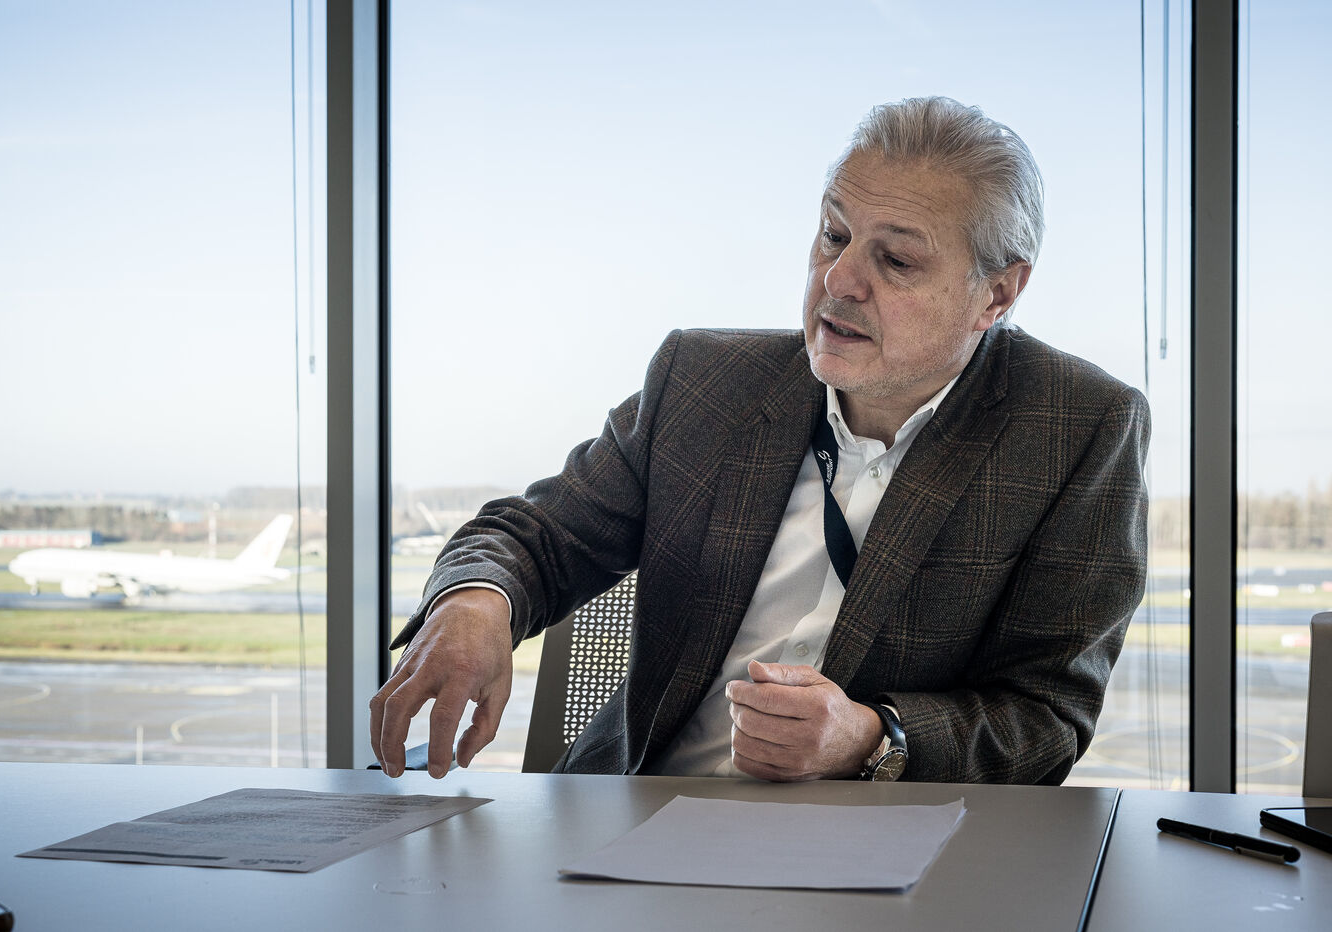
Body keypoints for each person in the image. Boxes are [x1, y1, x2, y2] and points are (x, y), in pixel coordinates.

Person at [370, 96, 1150, 785]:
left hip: (883, 851)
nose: (839, 280)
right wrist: (477, 600)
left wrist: (871, 739)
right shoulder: (704, 380)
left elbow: (1047, 715)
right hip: (639, 817)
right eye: (834, 235)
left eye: (896, 259)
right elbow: (537, 535)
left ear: (998, 293)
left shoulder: (1078, 426)